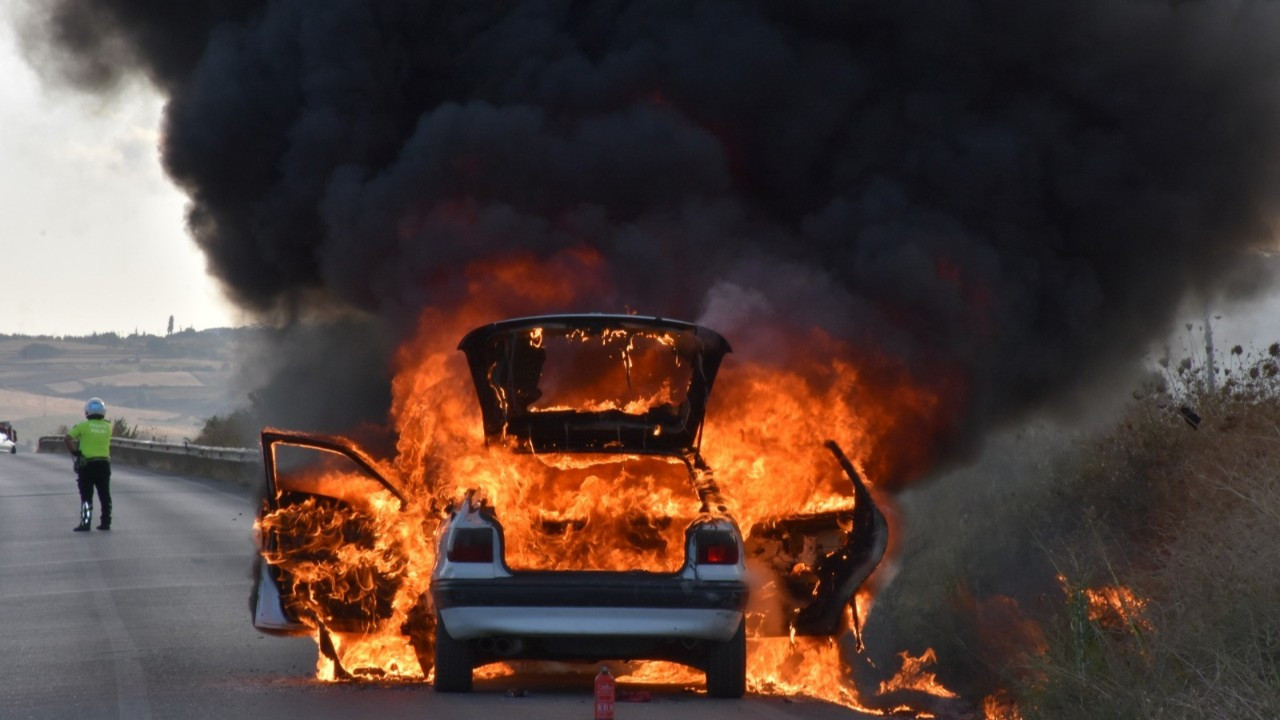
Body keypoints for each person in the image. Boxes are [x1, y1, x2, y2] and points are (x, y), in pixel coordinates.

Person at [65, 397, 113, 532]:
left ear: (87, 411)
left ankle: (85, 523)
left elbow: (67, 438)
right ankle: (106, 522)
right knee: (105, 494)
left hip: (87, 465)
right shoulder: (109, 426)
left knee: (86, 496)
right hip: (104, 464)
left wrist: (75, 452)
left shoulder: (82, 426)